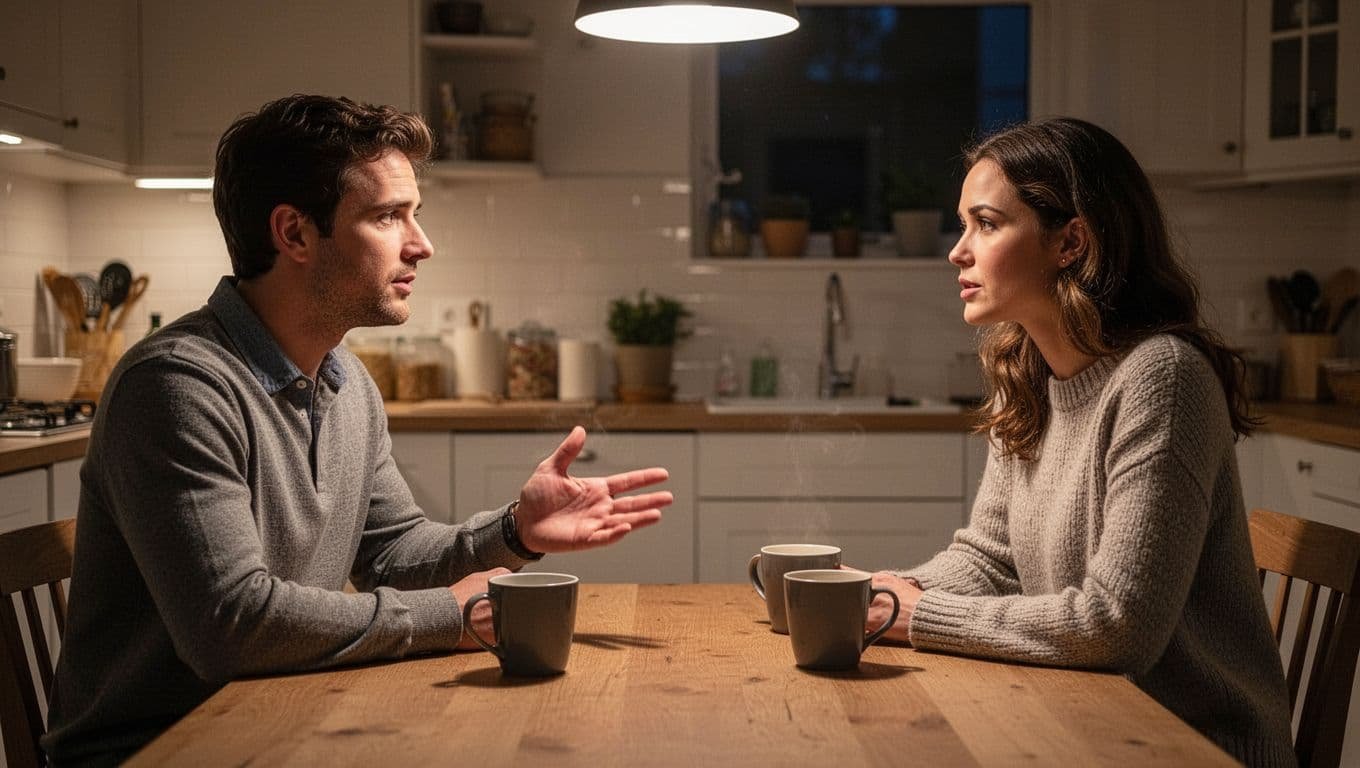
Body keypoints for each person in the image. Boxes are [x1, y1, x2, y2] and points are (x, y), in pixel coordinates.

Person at [42, 95, 673, 766]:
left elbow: (395, 553)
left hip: (279, 721)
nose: (421, 244)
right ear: (294, 235)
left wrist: (513, 531)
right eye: (387, 216)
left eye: (414, 215)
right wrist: (447, 615)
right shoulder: (178, 386)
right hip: (159, 751)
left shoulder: (344, 381)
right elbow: (230, 626)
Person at [862, 117, 1296, 767]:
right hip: (1083, 728)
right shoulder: (1029, 375)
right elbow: (991, 560)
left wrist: (915, 616)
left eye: (985, 223)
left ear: (1070, 242)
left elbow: (1118, 627)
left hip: (1195, 746)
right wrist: (876, 594)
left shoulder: (1163, 378)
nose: (958, 251)